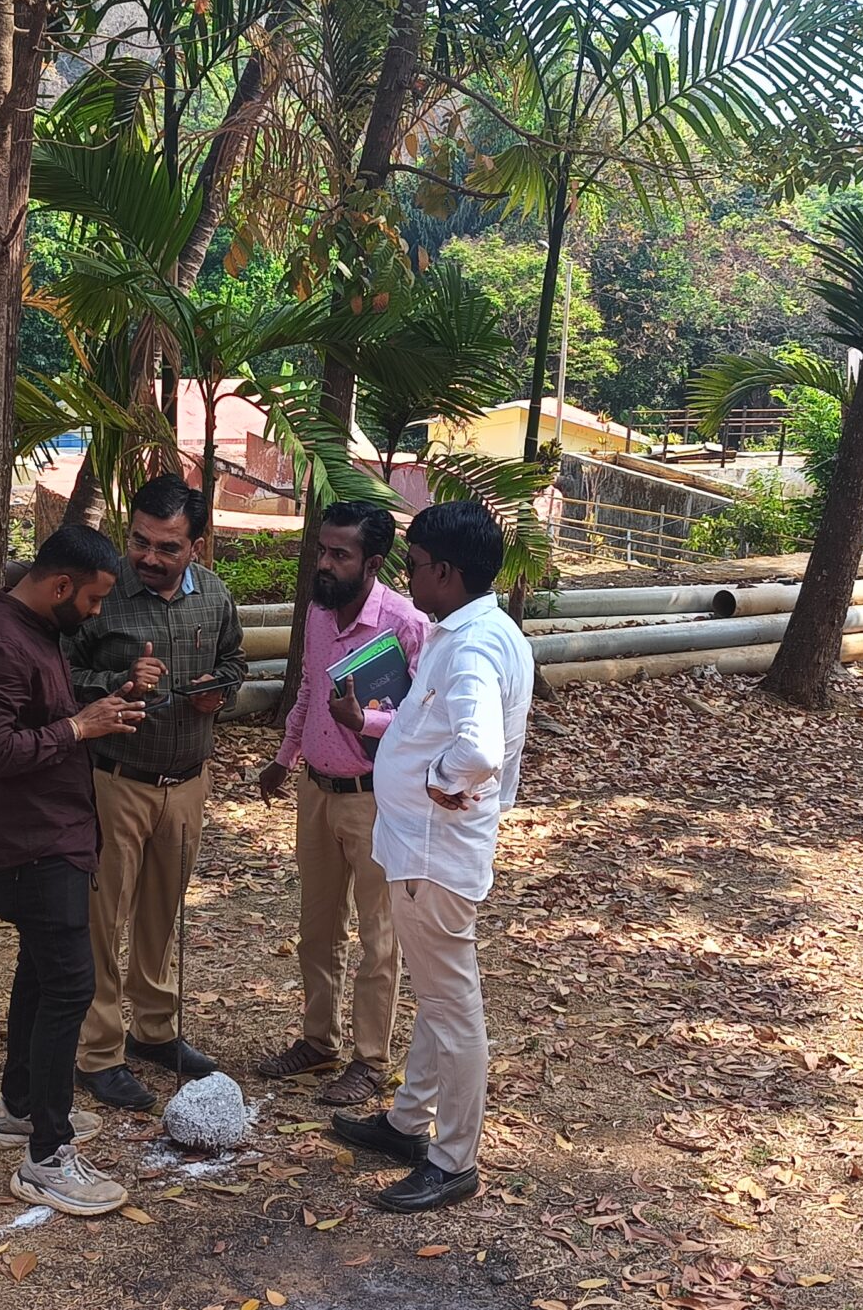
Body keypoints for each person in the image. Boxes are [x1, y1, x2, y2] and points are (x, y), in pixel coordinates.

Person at [326, 500, 531, 1213]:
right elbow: (432, 726)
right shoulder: (479, 630)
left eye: (412, 566)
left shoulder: (472, 647)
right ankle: (409, 1121)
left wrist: (443, 780)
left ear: (446, 571)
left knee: (451, 1005)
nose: (405, 577)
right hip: (427, 847)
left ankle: (454, 1158)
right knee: (437, 994)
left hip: (433, 851)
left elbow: (477, 748)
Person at [0, 525, 149, 1217]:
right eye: (92, 599)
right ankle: (47, 1157)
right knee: (70, 987)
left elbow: (42, 715)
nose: (96, 612)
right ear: (61, 585)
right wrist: (78, 729)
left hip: (55, 834)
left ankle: (21, 1107)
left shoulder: (34, 629)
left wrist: (100, 708)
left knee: (40, 973)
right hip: (30, 845)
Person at [63, 474, 248, 1110]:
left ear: (196, 546)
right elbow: (60, 672)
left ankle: (155, 1031)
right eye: (140, 540)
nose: (148, 556)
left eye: (167, 547)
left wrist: (218, 690)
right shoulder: (104, 592)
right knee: (102, 919)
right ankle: (98, 1052)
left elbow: (234, 662)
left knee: (162, 914)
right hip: (115, 780)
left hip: (188, 782)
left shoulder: (214, 595)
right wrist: (119, 679)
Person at [252, 501, 428, 1105]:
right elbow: (308, 686)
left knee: (379, 937)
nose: (323, 564)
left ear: (372, 563)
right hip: (317, 791)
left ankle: (370, 1060)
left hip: (377, 799)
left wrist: (366, 722)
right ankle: (317, 1041)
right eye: (321, 551)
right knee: (317, 927)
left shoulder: (405, 624)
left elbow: (427, 720)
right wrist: (285, 757)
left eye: (339, 555)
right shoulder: (319, 614)